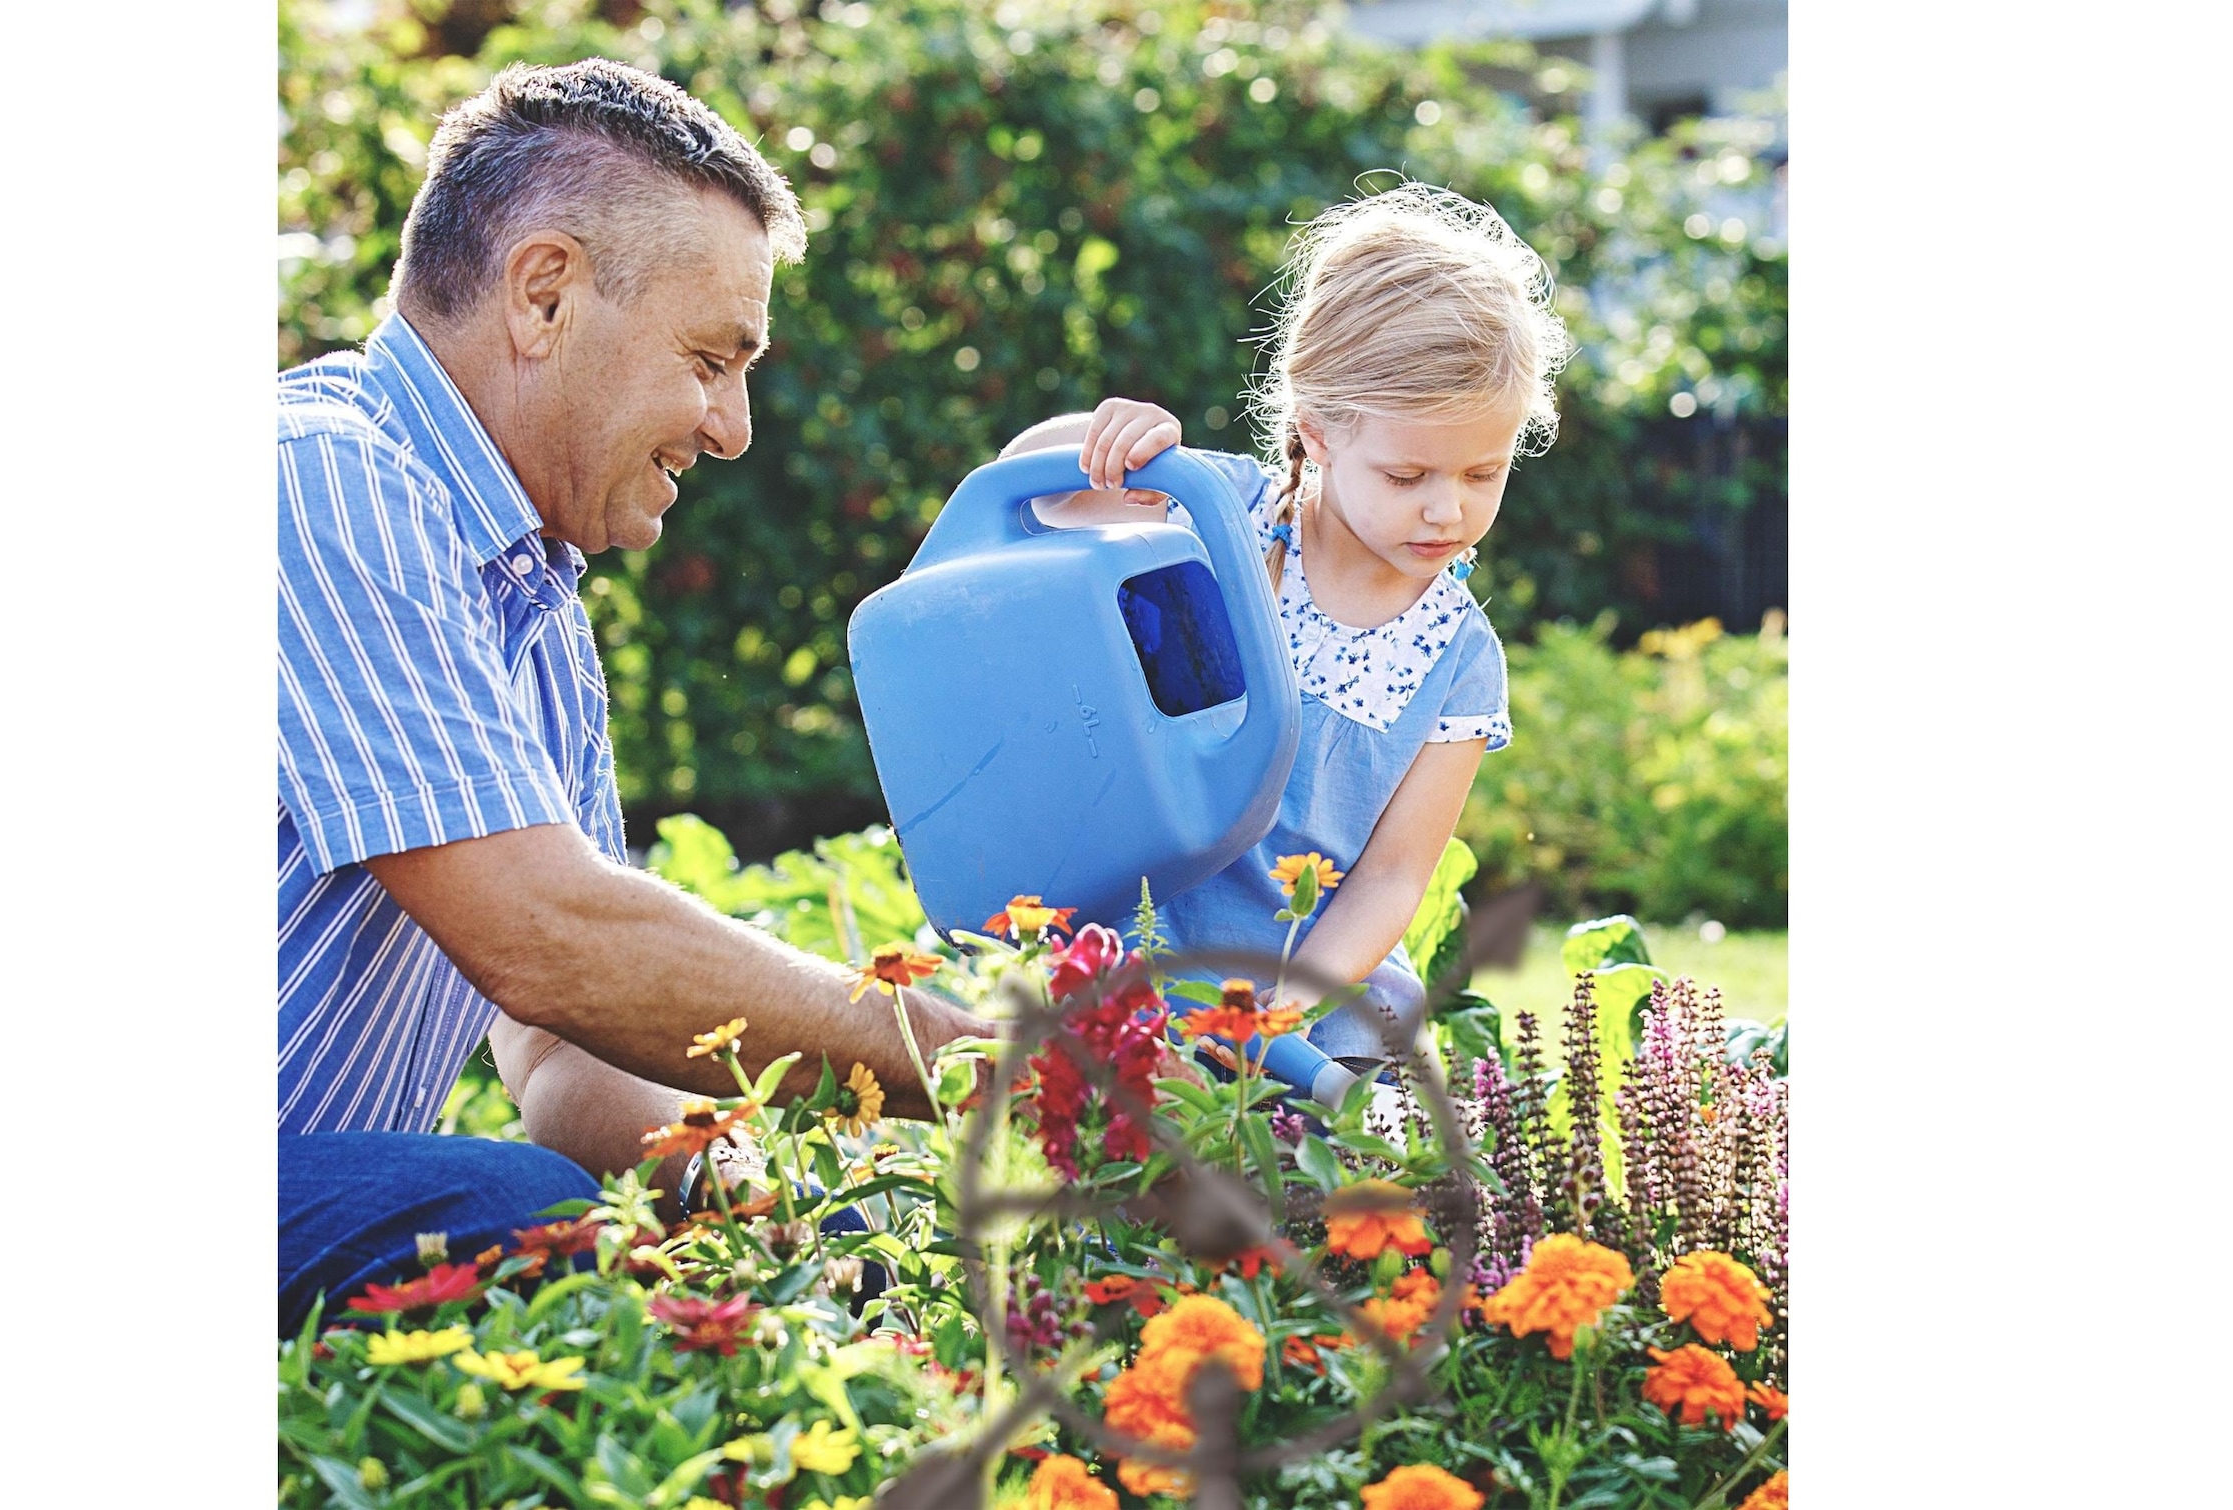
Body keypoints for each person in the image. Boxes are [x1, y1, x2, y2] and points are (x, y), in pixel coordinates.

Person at [276, 59, 984, 1337]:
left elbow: (561, 1047)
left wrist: (760, 1205)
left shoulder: (530, 606)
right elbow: (546, 940)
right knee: (514, 1209)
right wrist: (963, 1054)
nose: (734, 428)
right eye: (712, 358)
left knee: (587, 1214)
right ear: (545, 295)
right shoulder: (325, 483)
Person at [998, 182, 1574, 1110]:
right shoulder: (1218, 512)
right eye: (1407, 473)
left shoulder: (1459, 661)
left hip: (1302, 1012)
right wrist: (1101, 440)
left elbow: (1392, 876)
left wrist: (1288, 1008)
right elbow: (1032, 497)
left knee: (1309, 1217)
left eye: (1483, 472)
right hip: (1130, 960)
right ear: (1316, 431)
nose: (1448, 507)